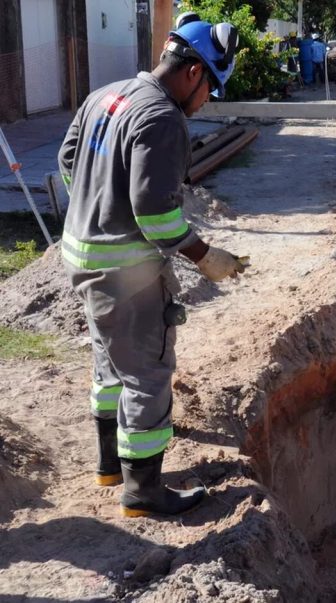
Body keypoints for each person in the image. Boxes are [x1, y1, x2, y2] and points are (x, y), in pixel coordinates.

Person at [58, 12, 247, 518]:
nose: (206, 101)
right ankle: (143, 492)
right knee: (147, 373)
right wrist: (207, 258)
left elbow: (68, 158)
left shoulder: (106, 94)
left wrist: (97, 204)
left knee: (109, 362)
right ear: (193, 72)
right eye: (211, 87)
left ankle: (108, 467)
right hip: (126, 271)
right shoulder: (162, 119)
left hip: (81, 258)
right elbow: (157, 217)